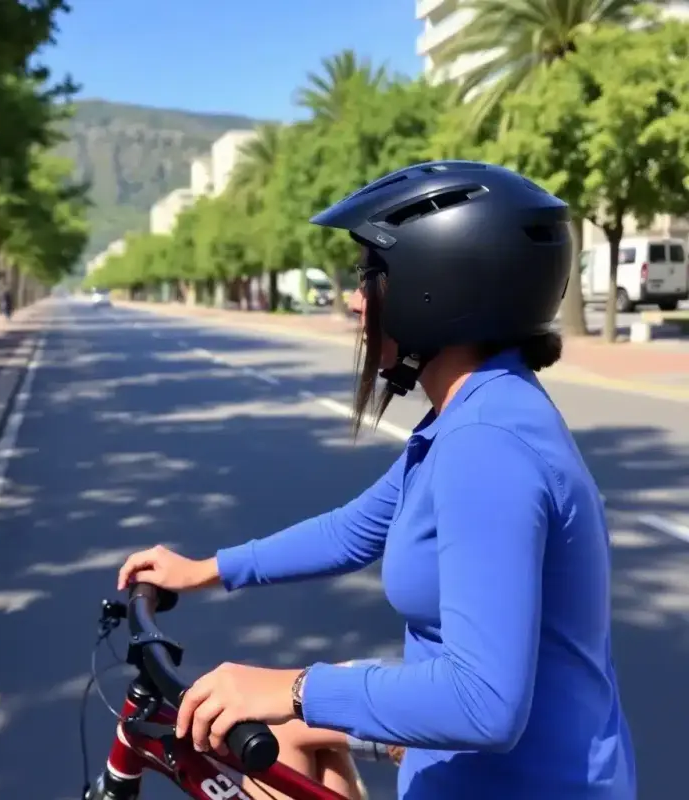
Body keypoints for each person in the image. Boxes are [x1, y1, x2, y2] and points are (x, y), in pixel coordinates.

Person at [118, 161, 635, 800]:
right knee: (292, 735)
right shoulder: (480, 409)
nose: (356, 299)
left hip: (519, 784)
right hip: (474, 765)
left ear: (436, 287)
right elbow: (355, 530)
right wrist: (206, 570)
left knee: (280, 718)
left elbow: (483, 702)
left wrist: (291, 688)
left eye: (371, 275)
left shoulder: (486, 446)